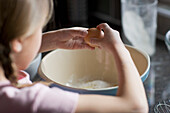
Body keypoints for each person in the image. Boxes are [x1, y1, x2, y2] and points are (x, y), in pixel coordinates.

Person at [0, 0, 148, 113]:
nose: (41, 34)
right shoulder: (29, 100)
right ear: (17, 42)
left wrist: (48, 41)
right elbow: (135, 107)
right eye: (39, 29)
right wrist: (119, 49)